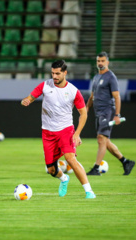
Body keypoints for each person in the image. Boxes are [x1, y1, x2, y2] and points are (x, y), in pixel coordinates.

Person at [21, 60, 96, 199]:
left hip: (65, 129)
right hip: (48, 132)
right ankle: (64, 179)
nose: (54, 76)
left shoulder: (73, 91)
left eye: (57, 73)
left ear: (65, 73)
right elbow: (30, 97)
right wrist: (25, 101)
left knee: (70, 158)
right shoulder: (45, 85)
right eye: (52, 73)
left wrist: (77, 133)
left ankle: (89, 191)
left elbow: (83, 113)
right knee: (51, 170)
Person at [85, 52, 135, 176]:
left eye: (102, 61)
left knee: (101, 139)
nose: (100, 63)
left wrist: (117, 115)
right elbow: (92, 96)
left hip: (107, 111)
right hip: (98, 112)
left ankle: (96, 168)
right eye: (98, 61)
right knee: (105, 141)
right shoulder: (96, 77)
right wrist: (86, 108)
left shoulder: (111, 77)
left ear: (107, 62)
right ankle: (125, 162)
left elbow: (117, 97)